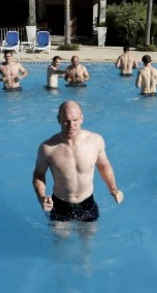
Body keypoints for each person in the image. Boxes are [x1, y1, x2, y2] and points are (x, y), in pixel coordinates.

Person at [32, 100, 124, 238]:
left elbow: (103, 165)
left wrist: (113, 188)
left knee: (88, 237)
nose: (71, 125)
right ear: (58, 120)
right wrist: (41, 197)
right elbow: (38, 175)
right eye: (66, 121)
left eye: (75, 120)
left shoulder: (95, 141)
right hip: (60, 203)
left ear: (82, 118)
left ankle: (86, 259)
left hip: (87, 201)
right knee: (61, 238)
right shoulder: (47, 148)